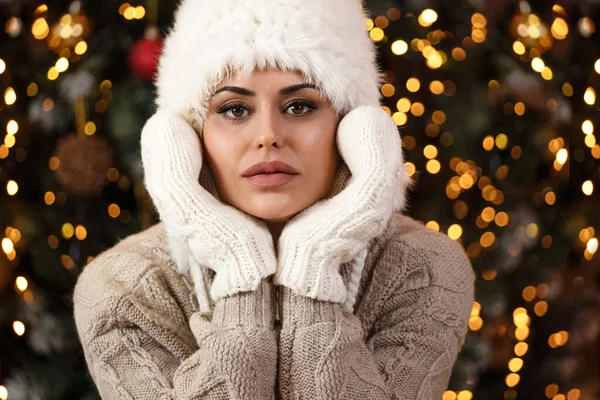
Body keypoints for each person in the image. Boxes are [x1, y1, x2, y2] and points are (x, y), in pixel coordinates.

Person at [72, 0, 476, 398]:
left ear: (354, 128)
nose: (268, 135)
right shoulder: (118, 290)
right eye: (234, 109)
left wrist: (315, 261)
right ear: (187, 135)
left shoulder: (424, 267)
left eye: (300, 106)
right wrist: (239, 266)